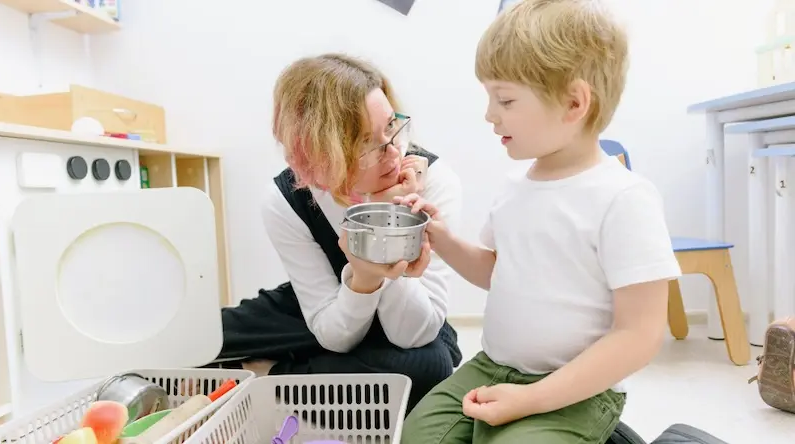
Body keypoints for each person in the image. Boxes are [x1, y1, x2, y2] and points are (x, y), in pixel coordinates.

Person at [396, 0, 682, 442]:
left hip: (578, 389)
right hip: (492, 367)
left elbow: (638, 335)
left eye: (505, 99)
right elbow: (499, 271)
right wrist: (443, 238)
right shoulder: (515, 187)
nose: (490, 114)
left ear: (573, 102)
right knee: (419, 434)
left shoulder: (625, 199)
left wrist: (531, 400)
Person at [210, 53, 463, 412]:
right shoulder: (286, 199)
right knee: (204, 339)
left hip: (405, 305)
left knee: (425, 366)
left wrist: (387, 223)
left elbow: (410, 334)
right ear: (316, 156)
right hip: (325, 297)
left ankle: (265, 376)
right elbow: (333, 333)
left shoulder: (433, 182)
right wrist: (360, 278)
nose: (393, 151)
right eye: (365, 142)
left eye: (392, 125)